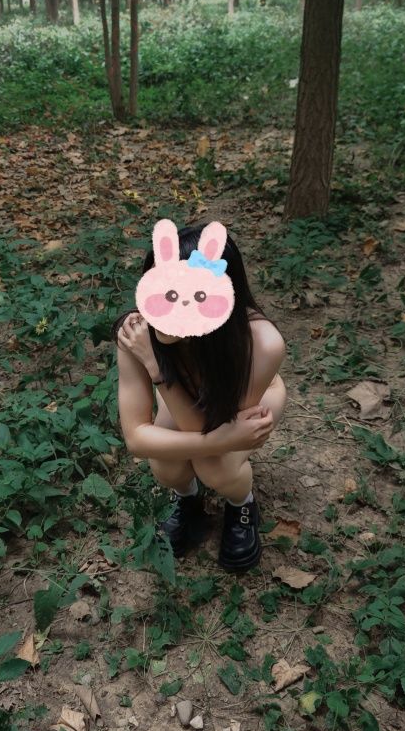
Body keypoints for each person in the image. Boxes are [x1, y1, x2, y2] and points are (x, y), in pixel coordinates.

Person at [111, 221, 287, 572]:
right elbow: (136, 439)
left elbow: (210, 426)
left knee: (215, 465)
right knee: (165, 464)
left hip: (248, 400)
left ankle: (242, 503)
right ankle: (188, 500)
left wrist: (158, 370)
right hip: (185, 398)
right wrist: (153, 362)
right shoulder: (137, 335)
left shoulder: (262, 344)